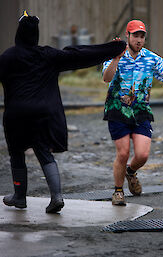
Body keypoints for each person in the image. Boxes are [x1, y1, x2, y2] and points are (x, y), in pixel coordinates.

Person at [0, 11, 126, 213]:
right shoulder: (47, 55)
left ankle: (20, 196)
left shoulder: (7, 57)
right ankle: (56, 197)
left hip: (16, 115)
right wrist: (115, 47)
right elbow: (79, 54)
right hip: (42, 114)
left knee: (16, 152)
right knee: (42, 151)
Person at [102, 20, 163, 206]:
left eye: (142, 36)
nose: (138, 39)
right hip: (117, 109)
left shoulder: (150, 58)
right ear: (127, 36)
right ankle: (118, 191)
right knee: (123, 153)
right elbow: (106, 78)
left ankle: (130, 172)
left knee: (143, 155)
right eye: (135, 35)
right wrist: (116, 58)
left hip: (141, 110)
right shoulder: (116, 55)